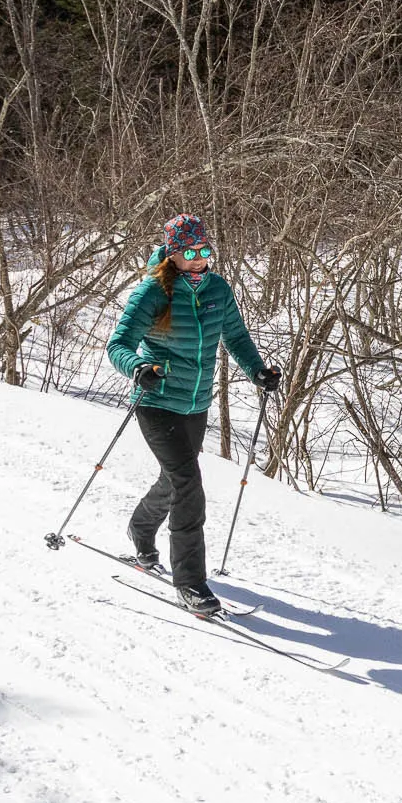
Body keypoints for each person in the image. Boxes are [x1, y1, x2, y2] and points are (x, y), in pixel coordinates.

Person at [106, 214, 280, 618]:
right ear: (173, 253)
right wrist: (137, 368)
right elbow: (119, 343)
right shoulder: (153, 291)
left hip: (196, 404)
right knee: (188, 484)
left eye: (206, 251)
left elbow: (235, 336)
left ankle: (141, 528)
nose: (201, 259)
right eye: (191, 252)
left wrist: (257, 370)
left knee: (173, 479)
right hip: (157, 400)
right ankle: (190, 583)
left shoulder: (218, 288)